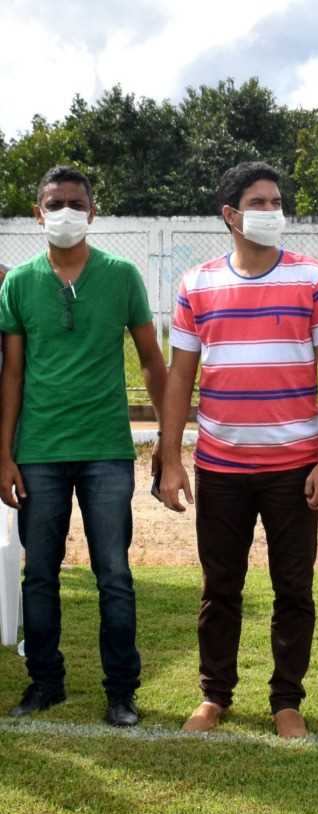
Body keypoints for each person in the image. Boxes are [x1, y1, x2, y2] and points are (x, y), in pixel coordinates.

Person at [157, 161, 318, 739]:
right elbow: (180, 376)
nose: (272, 211)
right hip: (220, 467)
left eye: (276, 202)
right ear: (231, 215)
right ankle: (214, 696)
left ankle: (286, 702)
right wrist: (171, 458)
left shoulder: (313, 278)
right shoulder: (196, 284)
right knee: (220, 588)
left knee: (294, 589)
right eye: (259, 202)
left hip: (295, 468)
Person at [0, 165, 167, 726]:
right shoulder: (19, 283)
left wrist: (169, 439)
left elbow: (152, 360)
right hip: (39, 451)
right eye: (55, 203)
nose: (65, 212)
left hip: (106, 451)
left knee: (114, 574)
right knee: (39, 575)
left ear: (93, 212)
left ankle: (122, 691)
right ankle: (45, 683)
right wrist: (4, 455)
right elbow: (12, 375)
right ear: (37, 213)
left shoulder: (121, 276)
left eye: (76, 203)